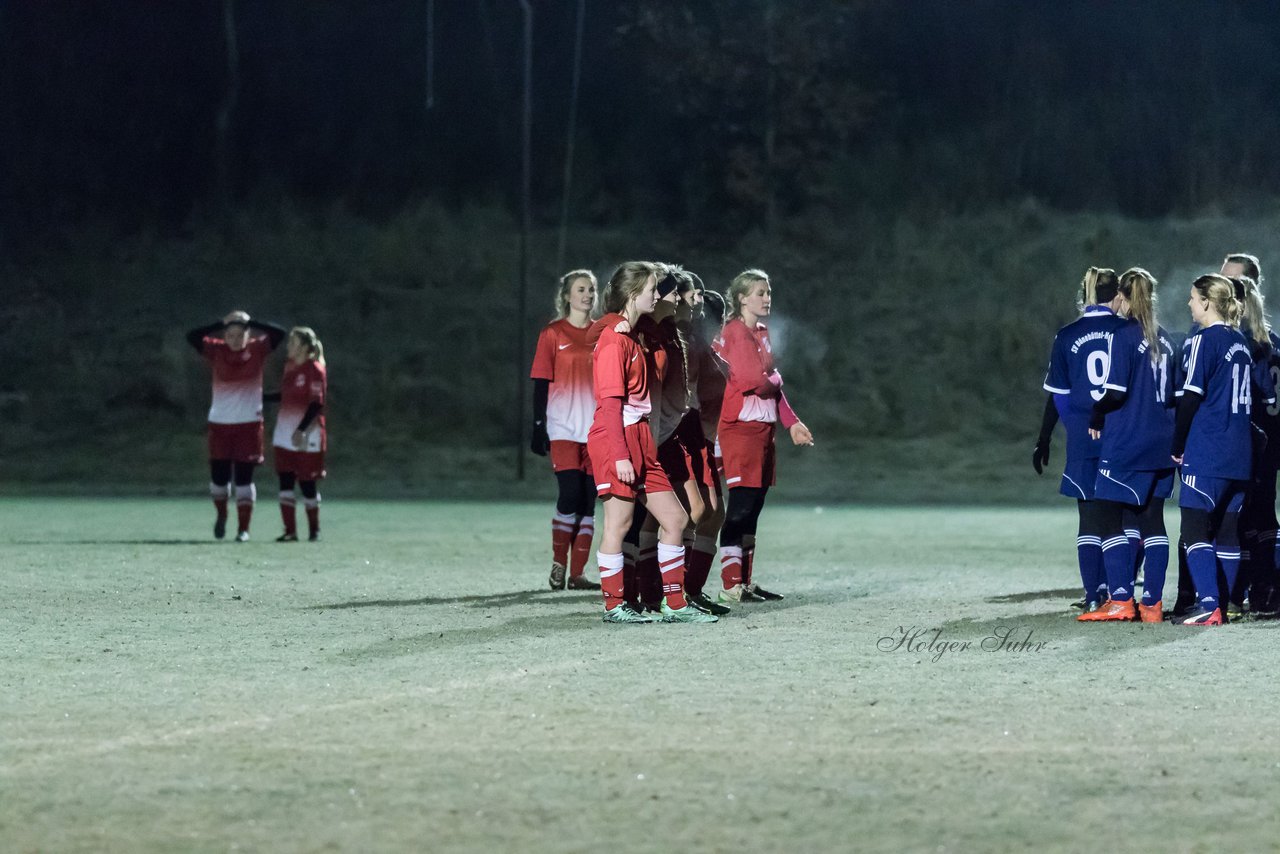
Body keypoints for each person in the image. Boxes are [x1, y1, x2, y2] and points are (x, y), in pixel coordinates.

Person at [586, 261, 716, 624]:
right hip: (620, 441)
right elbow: (610, 405)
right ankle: (614, 606)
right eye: (651, 289)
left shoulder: (630, 335)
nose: (657, 295)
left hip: (642, 439)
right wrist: (620, 455)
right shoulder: (614, 340)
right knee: (619, 524)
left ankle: (675, 605)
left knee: (674, 518)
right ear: (633, 293)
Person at [1078, 269, 1177, 622]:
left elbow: (1116, 391)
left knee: (1108, 517)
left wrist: (1096, 413)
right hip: (1161, 444)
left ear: (1122, 297)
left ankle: (1120, 599)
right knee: (1153, 521)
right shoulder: (1165, 339)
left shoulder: (1121, 335)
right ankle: (1152, 604)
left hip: (1128, 443)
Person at [713, 268, 814, 604]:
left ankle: (744, 581)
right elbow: (755, 382)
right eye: (759, 292)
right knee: (739, 507)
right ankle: (729, 584)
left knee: (753, 508)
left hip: (763, 431)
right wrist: (775, 378)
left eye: (768, 292)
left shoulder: (760, 332)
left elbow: (770, 383)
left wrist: (792, 423)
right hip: (740, 430)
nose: (766, 298)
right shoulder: (736, 332)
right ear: (742, 298)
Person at [1170, 274, 1266, 625]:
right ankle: (1224, 604)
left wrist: (1177, 444)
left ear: (1208, 303)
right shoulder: (1240, 342)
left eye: (1193, 298)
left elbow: (1192, 396)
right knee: (1227, 531)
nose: (1190, 304)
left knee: (1195, 529)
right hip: (1239, 453)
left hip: (1208, 449)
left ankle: (1209, 604)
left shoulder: (1203, 341)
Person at [1034, 268, 1128, 610]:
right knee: (1126, 519)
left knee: (1089, 518)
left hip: (1084, 441)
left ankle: (1093, 596)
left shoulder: (1067, 335)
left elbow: (1058, 395)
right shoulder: (1129, 331)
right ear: (1117, 295)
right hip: (1123, 438)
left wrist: (1048, 436)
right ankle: (1124, 596)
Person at [186, 310, 286, 542]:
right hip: (220, 424)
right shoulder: (216, 350)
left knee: (244, 479)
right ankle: (221, 515)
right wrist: (221, 322)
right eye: (229, 334)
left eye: (240, 334)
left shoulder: (257, 349)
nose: (234, 339)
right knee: (219, 480)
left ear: (248, 335)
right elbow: (192, 336)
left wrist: (251, 321)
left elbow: (279, 333)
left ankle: (244, 529)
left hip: (249, 424)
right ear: (224, 335)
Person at [530, 270, 601, 590]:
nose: (587, 294)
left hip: (596, 431)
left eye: (591, 289)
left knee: (588, 501)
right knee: (570, 494)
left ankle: (577, 574)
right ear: (567, 296)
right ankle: (559, 564)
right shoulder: (552, 333)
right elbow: (541, 382)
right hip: (562, 428)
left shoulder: (602, 335)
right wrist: (538, 425)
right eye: (581, 289)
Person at [271, 327, 327, 542]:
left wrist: (301, 429)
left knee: (307, 483)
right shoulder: (290, 368)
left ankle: (314, 530)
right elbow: (285, 396)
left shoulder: (315, 370)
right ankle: (290, 531)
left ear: (304, 346)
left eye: (293, 343)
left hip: (307, 435)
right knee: (285, 481)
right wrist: (259, 396)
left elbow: (316, 404)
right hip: (284, 433)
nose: (289, 347)